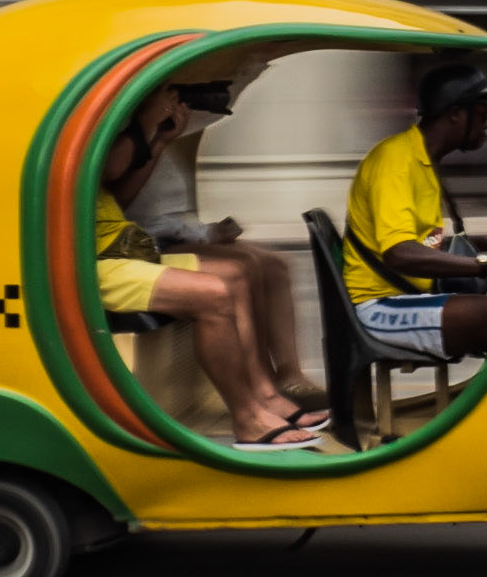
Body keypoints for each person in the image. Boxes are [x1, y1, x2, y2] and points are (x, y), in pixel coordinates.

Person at [98, 84, 321, 450]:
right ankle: (247, 418)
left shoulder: (131, 146)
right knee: (215, 294)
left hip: (121, 248)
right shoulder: (95, 142)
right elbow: (109, 171)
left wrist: (158, 140)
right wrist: (146, 123)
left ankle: (264, 395)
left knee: (237, 276)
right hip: (97, 259)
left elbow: (117, 197)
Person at [342, 63, 487, 362]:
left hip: (406, 298)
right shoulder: (395, 162)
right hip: (378, 308)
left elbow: (423, 243)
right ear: (455, 113)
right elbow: (399, 253)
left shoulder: (423, 160)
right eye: (482, 114)